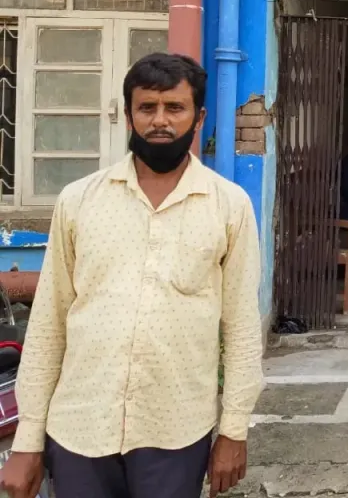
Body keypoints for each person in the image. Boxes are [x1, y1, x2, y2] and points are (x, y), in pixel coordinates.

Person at [0, 53, 264, 498]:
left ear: (199, 119)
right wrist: (28, 439)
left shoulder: (229, 206)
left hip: (177, 431)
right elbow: (48, 324)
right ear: (128, 116)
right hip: (80, 427)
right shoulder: (79, 200)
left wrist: (234, 430)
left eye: (174, 108)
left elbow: (241, 327)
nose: (160, 120)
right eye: (147, 107)